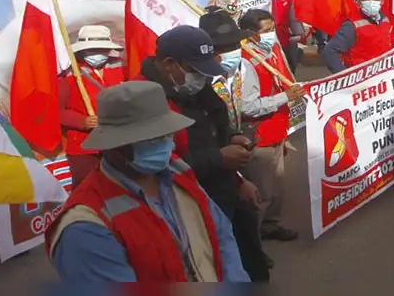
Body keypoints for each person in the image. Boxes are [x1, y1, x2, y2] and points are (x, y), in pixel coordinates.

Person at [46, 81, 250, 282]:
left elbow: (221, 236)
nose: (165, 146)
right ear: (114, 146)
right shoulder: (86, 227)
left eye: (167, 135)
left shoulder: (178, 173)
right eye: (151, 139)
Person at [134, 26, 269, 281]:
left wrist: (234, 155)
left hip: (224, 193)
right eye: (196, 70)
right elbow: (155, 165)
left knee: (248, 259)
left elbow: (217, 127)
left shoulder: (197, 87)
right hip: (184, 207)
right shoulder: (143, 99)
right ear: (169, 64)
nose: (203, 78)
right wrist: (218, 158)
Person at [233, 9, 305, 243]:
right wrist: (285, 97)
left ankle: (270, 227)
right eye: (267, 31)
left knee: (276, 190)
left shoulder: (271, 52)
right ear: (251, 35)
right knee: (260, 194)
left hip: (277, 131)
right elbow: (248, 107)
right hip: (259, 137)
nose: (273, 34)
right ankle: (252, 244)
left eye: (273, 28)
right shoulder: (246, 63)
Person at [61, 25, 125, 186]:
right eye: (92, 49)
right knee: (88, 188)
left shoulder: (120, 66)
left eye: (102, 49)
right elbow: (57, 111)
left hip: (119, 141)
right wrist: (82, 121)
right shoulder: (69, 73)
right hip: (84, 146)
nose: (97, 54)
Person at [324, 0, 394, 74]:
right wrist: (345, 77)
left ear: (382, 1)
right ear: (360, 1)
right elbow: (330, 52)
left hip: (381, 79)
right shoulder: (351, 26)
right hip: (361, 81)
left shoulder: (385, 21)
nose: (371, 2)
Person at [267, 0, 306, 74]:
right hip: (265, 39)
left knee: (288, 67)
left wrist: (299, 33)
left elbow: (293, 18)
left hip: (283, 39)